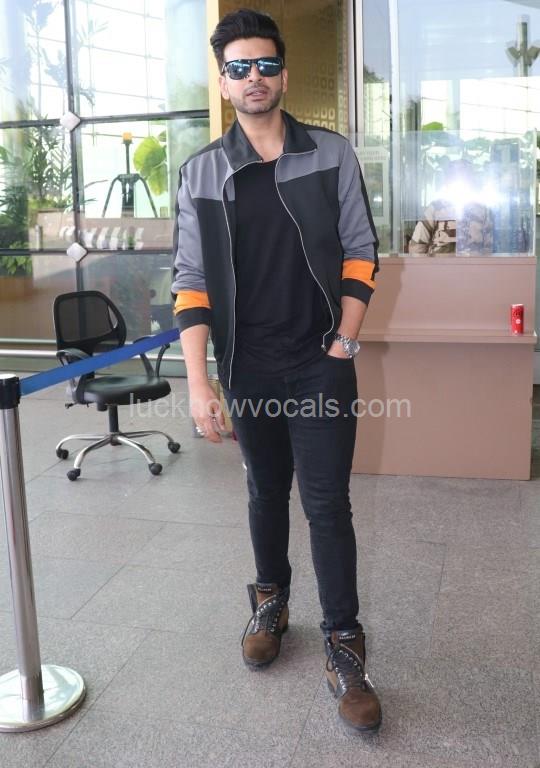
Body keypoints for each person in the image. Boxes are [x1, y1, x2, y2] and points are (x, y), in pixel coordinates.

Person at [171, 8, 381, 734]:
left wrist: (344, 343)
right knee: (264, 491)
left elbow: (361, 251)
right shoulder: (202, 171)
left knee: (326, 505)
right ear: (224, 83)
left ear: (284, 76)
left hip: (320, 363)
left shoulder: (330, 154)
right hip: (248, 366)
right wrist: (200, 382)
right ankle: (270, 602)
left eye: (265, 64)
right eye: (239, 68)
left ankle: (344, 644)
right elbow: (191, 281)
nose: (253, 77)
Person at [408, 159, 493, 256]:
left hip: (473, 265)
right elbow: (417, 246)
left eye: (465, 176)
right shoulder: (435, 208)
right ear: (448, 181)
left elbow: (488, 249)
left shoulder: (482, 210)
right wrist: (427, 266)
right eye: (455, 176)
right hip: (440, 265)